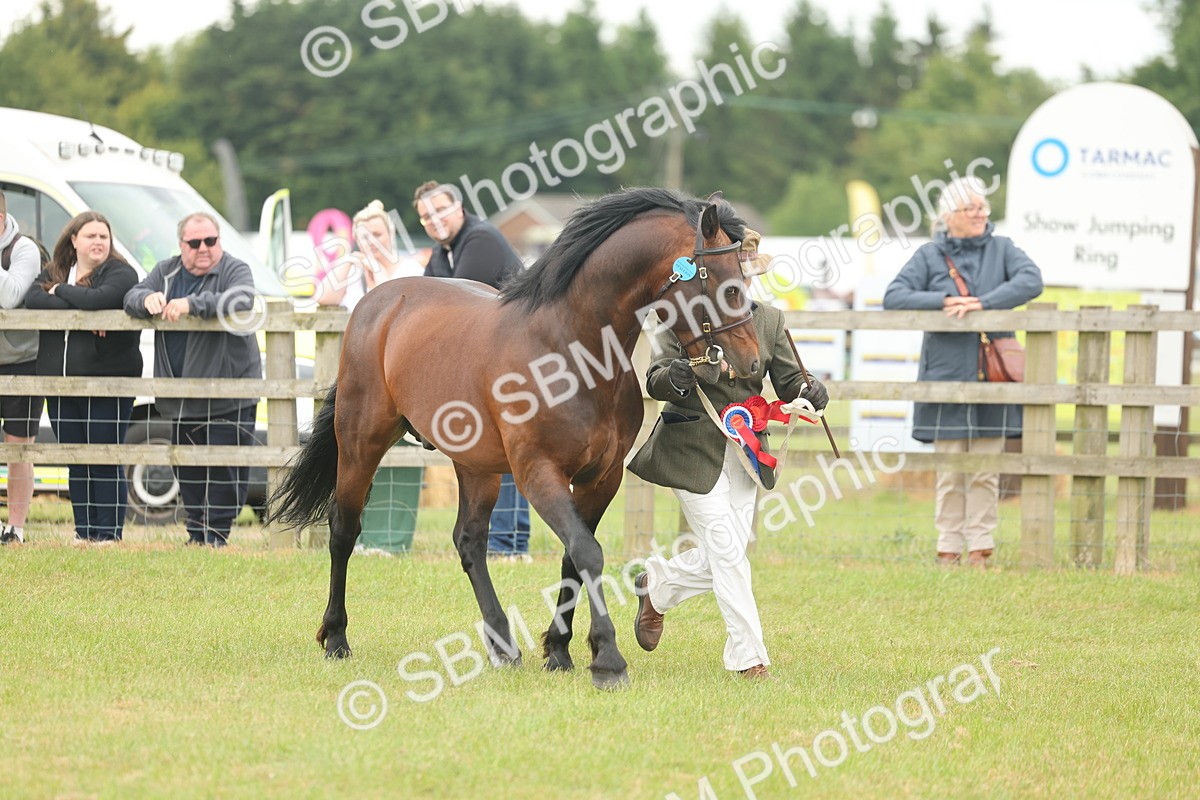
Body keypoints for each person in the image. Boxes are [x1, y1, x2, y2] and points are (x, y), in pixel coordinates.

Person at [628, 229, 829, 679]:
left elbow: (790, 381)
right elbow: (655, 378)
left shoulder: (771, 320)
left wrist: (812, 392)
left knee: (728, 552)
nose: (745, 284)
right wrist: (678, 373)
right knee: (728, 553)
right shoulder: (676, 317)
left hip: (746, 452)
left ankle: (657, 586)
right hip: (690, 449)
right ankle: (748, 657)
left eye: (751, 275)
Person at [883, 176, 1043, 568]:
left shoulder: (1004, 249)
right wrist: (944, 300)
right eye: (970, 208)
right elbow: (895, 296)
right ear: (947, 216)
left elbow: (1031, 280)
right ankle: (948, 548)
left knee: (986, 471)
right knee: (951, 470)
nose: (979, 214)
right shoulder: (929, 255)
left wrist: (982, 303)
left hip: (995, 378)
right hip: (946, 376)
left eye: (982, 207)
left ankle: (981, 549)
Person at [123, 212, 262, 547]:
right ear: (181, 245)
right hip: (180, 392)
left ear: (219, 241)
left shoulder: (235, 269)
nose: (204, 248)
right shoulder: (165, 271)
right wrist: (146, 299)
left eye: (210, 241)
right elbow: (131, 296)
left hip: (230, 391)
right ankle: (196, 534)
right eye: (195, 242)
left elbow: (240, 298)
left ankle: (217, 535)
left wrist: (190, 304)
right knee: (188, 467)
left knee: (226, 468)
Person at [413, 180, 531, 559]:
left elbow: (451, 303)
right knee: (494, 450)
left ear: (460, 207)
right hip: (488, 363)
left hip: (519, 360)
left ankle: (510, 545)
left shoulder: (480, 239)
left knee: (513, 449)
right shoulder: (443, 251)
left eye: (441, 210)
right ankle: (499, 543)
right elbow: (424, 303)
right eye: (426, 216)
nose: (434, 219)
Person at [24, 212, 141, 544]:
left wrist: (58, 292)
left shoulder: (120, 272)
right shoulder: (57, 269)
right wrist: (76, 304)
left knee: (103, 457)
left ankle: (108, 535)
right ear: (74, 240)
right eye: (90, 236)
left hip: (108, 381)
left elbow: (102, 299)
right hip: (59, 383)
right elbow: (33, 299)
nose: (98, 242)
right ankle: (84, 532)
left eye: (103, 236)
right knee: (76, 459)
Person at [0, 190, 44, 545]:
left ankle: (15, 527)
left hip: (21, 362)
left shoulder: (23, 249)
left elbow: (11, 296)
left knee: (19, 446)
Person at [315, 199, 427, 311]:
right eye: (364, 237)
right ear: (356, 240)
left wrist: (376, 268)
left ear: (390, 234)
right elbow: (323, 298)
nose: (372, 241)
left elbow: (389, 304)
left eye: (377, 235)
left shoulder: (411, 269)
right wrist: (348, 260)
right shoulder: (351, 271)